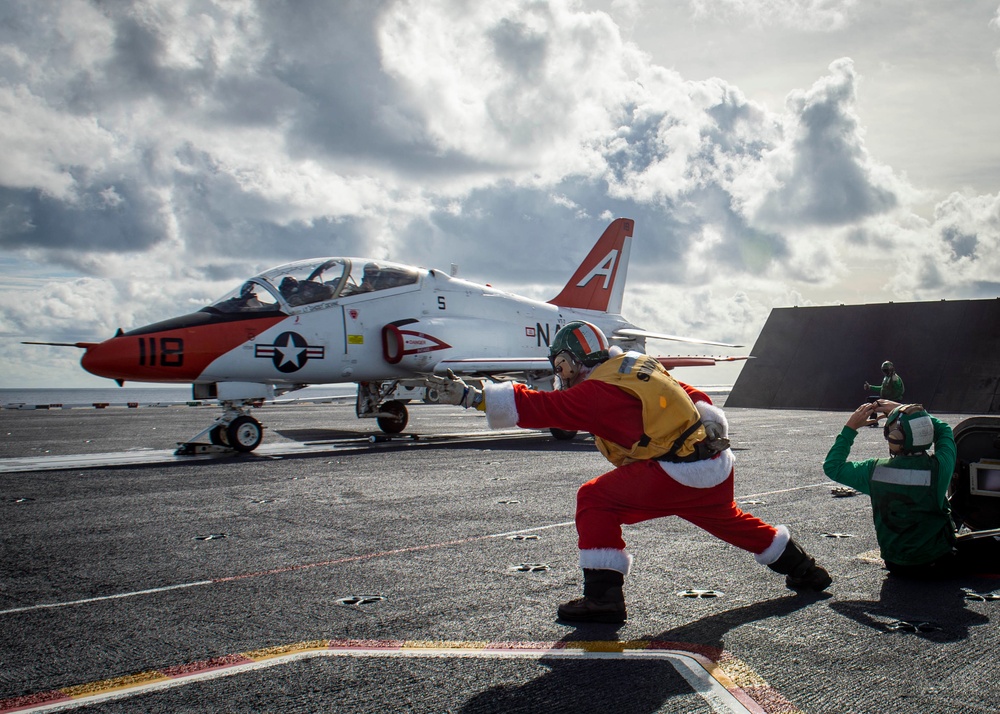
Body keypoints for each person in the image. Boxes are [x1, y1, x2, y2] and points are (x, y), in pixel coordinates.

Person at [433, 320, 832, 623]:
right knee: (730, 521)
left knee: (595, 499)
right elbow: (688, 391)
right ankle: (806, 571)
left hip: (671, 473)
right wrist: (708, 417)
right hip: (711, 465)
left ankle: (603, 598)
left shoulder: (593, 392)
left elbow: (542, 408)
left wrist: (473, 396)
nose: (561, 372)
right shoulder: (635, 363)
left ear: (568, 362)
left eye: (561, 365)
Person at [823, 399, 994, 579]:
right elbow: (943, 430)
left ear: (894, 437)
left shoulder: (873, 470)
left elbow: (833, 466)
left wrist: (851, 428)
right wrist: (909, 411)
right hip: (936, 562)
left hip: (895, 564)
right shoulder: (939, 468)